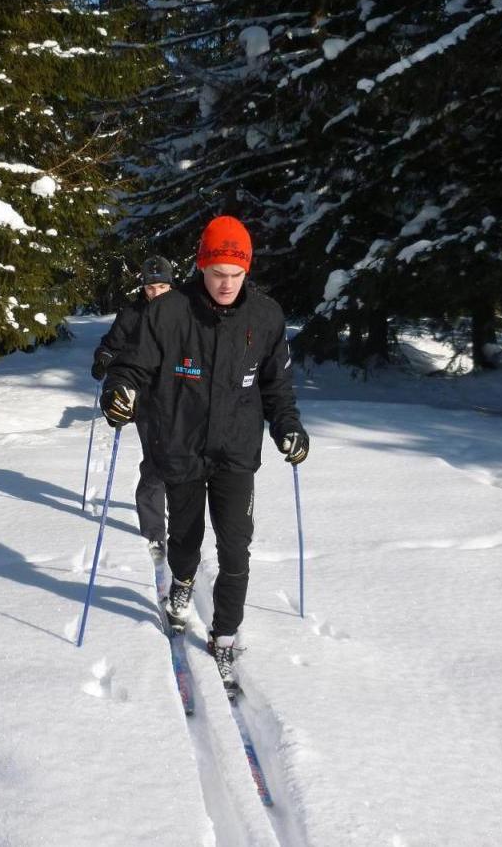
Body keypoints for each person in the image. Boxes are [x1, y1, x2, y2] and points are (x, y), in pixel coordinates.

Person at [100, 216, 308, 692]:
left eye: (236, 275)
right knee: (186, 538)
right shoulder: (169, 312)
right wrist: (118, 392)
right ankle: (182, 584)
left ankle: (225, 635)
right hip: (182, 446)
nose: (227, 284)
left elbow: (278, 386)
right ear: (201, 266)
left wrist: (289, 427)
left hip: (236, 452)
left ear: (247, 271)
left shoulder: (266, 317)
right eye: (217, 274)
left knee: (236, 546)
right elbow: (130, 367)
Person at [91, 255, 174, 552]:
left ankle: (181, 514)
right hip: (145, 396)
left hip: (181, 396)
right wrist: (103, 358)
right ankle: (154, 529)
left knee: (183, 461)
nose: (156, 293)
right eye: (151, 288)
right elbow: (112, 344)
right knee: (156, 460)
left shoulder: (184, 311)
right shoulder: (132, 313)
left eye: (162, 286)